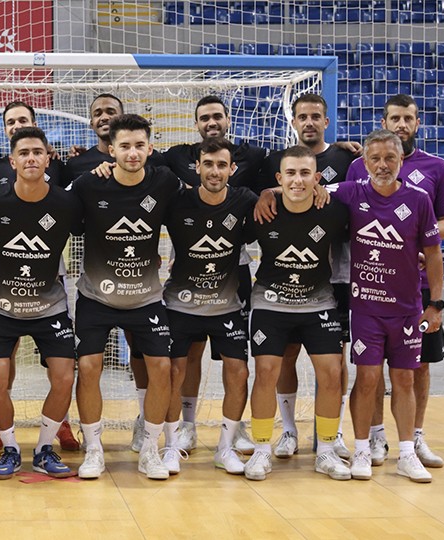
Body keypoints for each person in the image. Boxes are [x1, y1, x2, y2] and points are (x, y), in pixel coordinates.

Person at [344, 95, 444, 469]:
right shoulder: (355, 173)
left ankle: (414, 441)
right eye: (394, 117)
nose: (401, 123)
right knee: (368, 372)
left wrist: (411, 235)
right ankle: (374, 440)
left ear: (417, 122)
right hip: (370, 292)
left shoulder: (435, 171)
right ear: (385, 120)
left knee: (416, 369)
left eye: (408, 118)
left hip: (417, 288)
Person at [151, 95, 268, 455]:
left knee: (238, 370)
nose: (214, 171)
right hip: (182, 296)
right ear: (196, 167)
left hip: (230, 294)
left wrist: (271, 192)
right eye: (208, 165)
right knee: (179, 366)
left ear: (231, 168)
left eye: (221, 165)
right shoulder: (175, 197)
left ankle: (230, 438)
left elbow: (288, 179)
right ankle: (180, 433)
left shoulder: (248, 194)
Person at [68, 114, 180, 480]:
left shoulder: (164, 181)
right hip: (96, 296)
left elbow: (204, 195)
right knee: (88, 367)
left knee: (162, 368)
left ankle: (150, 448)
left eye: (139, 145)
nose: (132, 153)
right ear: (110, 149)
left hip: (146, 296)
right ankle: (95, 448)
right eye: (124, 146)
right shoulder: (88, 184)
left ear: (150, 147)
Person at [330, 129, 443, 483]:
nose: (382, 165)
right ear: (364, 162)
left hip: (408, 308)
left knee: (405, 379)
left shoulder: (420, 198)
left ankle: (407, 453)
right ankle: (362, 448)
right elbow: (305, 190)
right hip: (365, 308)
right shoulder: (351, 192)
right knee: (366, 378)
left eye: (389, 158)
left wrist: (435, 304)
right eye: (375, 158)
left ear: (400, 161)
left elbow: (435, 253)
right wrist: (267, 195)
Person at [0, 127, 82, 479]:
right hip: (1, 307)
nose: (31, 158)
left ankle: (45, 448)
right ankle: (11, 448)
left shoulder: (66, 202)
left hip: (49, 306)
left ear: (48, 158)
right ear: (12, 160)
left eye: (38, 152)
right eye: (24, 153)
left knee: (65, 377)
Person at [260, 93, 359, 460]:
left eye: (316, 116)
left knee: (333, 361)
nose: (309, 122)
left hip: (337, 276)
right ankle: (288, 431)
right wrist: (268, 192)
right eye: (303, 116)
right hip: (290, 277)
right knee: (284, 356)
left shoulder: (347, 158)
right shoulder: (277, 160)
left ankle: (331, 435)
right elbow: (268, 196)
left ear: (327, 121)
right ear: (294, 122)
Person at [244, 146, 351, 482]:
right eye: (290, 173)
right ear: (279, 178)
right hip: (270, 303)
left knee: (332, 373)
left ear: (317, 178)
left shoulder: (334, 211)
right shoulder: (263, 209)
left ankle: (327, 451)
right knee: (266, 370)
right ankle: (262, 449)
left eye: (305, 173)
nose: (298, 180)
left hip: (318, 303)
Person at [64, 93, 149, 450]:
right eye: (97, 112)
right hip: (89, 280)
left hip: (141, 285)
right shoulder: (78, 167)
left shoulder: (152, 168)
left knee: (144, 358)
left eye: (110, 111)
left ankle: (146, 423)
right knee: (87, 363)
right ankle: (91, 438)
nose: (103, 116)